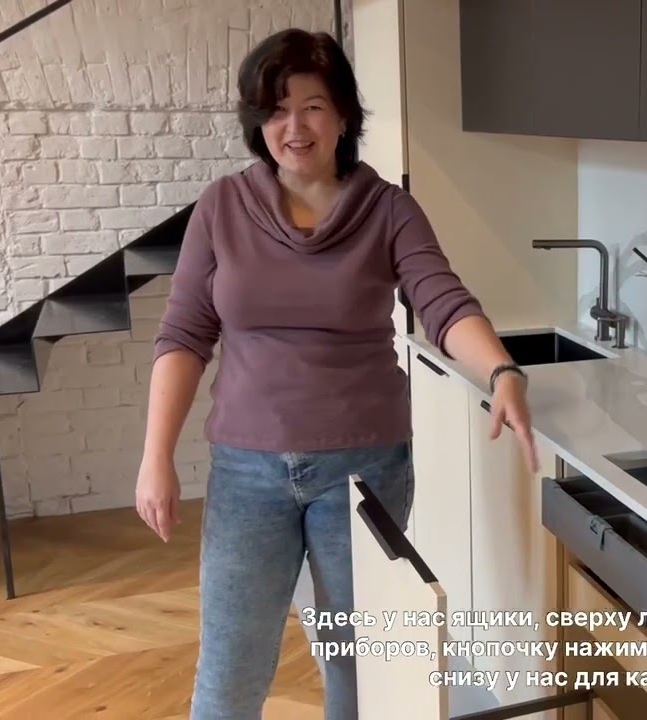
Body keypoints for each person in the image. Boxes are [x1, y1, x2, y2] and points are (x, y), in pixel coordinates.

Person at [133, 28, 540, 720]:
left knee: (358, 664)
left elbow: (441, 300)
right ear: (257, 120)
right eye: (277, 109)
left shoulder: (388, 210)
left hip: (364, 469)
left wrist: (501, 370)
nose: (295, 127)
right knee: (230, 667)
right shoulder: (221, 207)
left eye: (313, 106)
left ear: (344, 116)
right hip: (246, 469)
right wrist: (155, 457)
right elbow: (185, 333)